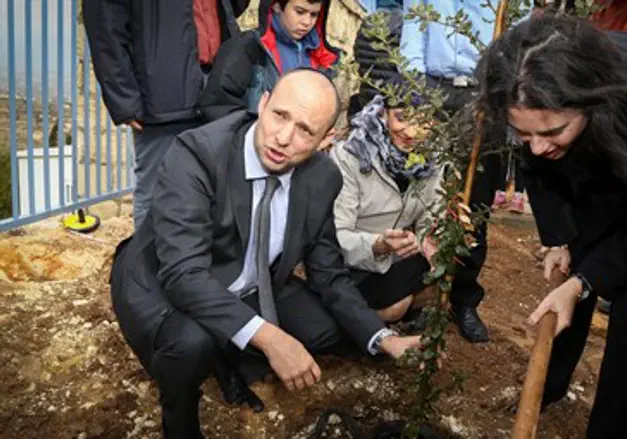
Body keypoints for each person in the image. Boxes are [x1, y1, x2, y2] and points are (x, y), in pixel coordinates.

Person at [109, 69, 422, 438]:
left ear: (327, 139)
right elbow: (184, 275)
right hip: (160, 280)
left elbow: (328, 273)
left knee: (323, 330)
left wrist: (382, 336)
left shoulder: (323, 178)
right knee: (192, 344)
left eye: (306, 130)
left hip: (246, 278)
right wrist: (271, 338)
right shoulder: (196, 154)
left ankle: (234, 348)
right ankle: (181, 425)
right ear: (263, 102)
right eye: (279, 115)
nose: (284, 138)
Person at [477, 13, 627, 438]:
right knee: (570, 280)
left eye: (552, 130)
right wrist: (558, 239)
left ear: (590, 103)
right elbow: (537, 169)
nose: (535, 146)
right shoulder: (529, 105)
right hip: (588, 176)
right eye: (523, 133)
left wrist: (586, 280)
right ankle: (549, 387)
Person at [83, 0, 250, 230]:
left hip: (217, 83)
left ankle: (197, 263)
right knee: (156, 194)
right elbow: (104, 25)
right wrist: (124, 98)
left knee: (214, 191)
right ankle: (143, 265)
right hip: (162, 90)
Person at [399, 0, 499, 343]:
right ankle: (423, 299)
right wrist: (416, 95)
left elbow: (514, 41)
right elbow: (413, 33)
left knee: (475, 205)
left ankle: (464, 299)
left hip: (483, 95)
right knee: (425, 199)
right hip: (433, 92)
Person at [331, 91, 440, 326]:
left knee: (445, 275)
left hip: (397, 258)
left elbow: (429, 216)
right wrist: (378, 245)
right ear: (383, 114)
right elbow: (335, 236)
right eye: (401, 118)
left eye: (422, 122)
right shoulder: (351, 155)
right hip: (350, 262)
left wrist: (428, 239)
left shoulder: (433, 161)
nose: (411, 132)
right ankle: (356, 323)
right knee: (394, 309)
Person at [199, 0, 340, 123]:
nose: (307, 22)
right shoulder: (246, 47)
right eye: (300, 11)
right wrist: (251, 134)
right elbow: (217, 106)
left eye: (314, 14)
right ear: (277, 5)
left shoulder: (323, 61)